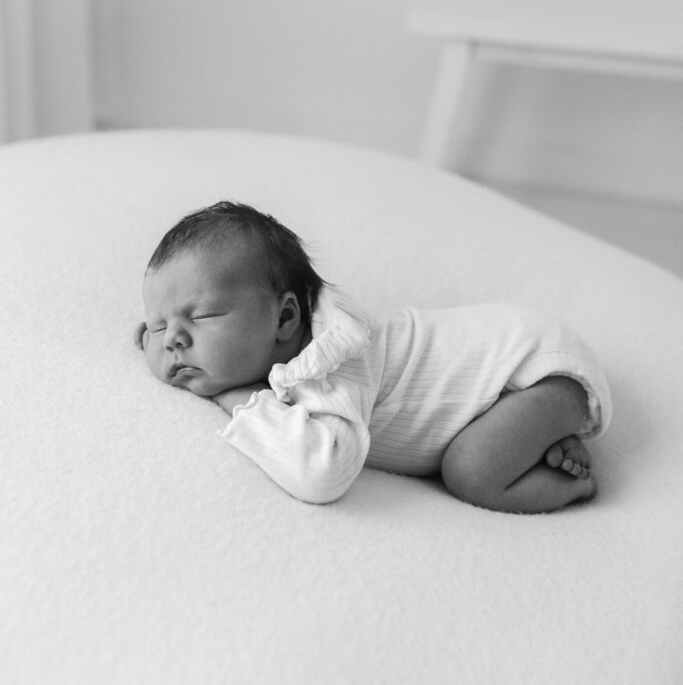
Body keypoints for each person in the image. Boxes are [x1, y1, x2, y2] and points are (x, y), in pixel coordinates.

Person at [135, 201, 612, 512]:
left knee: (471, 471)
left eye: (203, 316)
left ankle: (575, 484)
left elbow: (326, 472)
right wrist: (156, 338)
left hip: (531, 365)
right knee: (477, 452)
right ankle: (535, 436)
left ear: (285, 320)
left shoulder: (330, 361)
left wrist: (241, 398)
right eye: (158, 325)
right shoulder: (275, 349)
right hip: (502, 383)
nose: (173, 340)